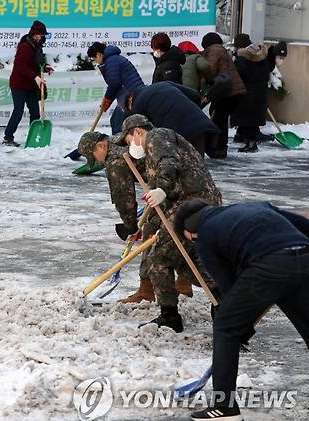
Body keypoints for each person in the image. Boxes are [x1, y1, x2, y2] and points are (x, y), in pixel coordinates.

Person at [174, 200, 309, 421]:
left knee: (225, 326)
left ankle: (223, 407)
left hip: (268, 266)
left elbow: (228, 284)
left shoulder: (205, 236)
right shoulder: (254, 206)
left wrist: (241, 323)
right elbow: (305, 225)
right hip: (305, 259)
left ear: (190, 232)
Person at [122, 114, 222, 332]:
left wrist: (162, 189)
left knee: (160, 257)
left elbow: (169, 163)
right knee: (185, 259)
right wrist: (146, 227)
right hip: (191, 204)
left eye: (129, 140)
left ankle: (170, 317)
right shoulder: (152, 152)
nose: (131, 146)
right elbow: (161, 203)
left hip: (192, 204)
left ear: (138, 132)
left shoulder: (157, 137)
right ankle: (222, 298)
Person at [77, 131, 193, 303]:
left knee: (152, 233)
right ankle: (184, 282)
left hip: (171, 191)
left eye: (94, 156)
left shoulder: (115, 160)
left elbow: (124, 198)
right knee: (178, 234)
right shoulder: (121, 139)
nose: (99, 162)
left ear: (101, 146)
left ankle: (146, 291)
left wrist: (131, 226)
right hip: (183, 184)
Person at [126, 81, 220, 156]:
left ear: (130, 100)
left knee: (184, 170)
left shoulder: (137, 105)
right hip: (199, 124)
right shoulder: (164, 83)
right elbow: (195, 95)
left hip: (177, 133)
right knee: (198, 168)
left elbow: (143, 133)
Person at [3, 20, 54, 147]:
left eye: (42, 35)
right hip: (19, 85)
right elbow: (21, 66)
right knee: (18, 111)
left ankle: (35, 136)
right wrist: (35, 77)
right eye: (38, 35)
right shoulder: (25, 47)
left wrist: (45, 68)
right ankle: (8, 137)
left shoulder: (37, 47)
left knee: (35, 112)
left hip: (31, 85)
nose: (40, 37)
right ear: (32, 34)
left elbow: (35, 64)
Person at [201, 32, 246, 159]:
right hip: (232, 91)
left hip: (226, 92)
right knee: (220, 118)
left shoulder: (214, 50)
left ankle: (217, 149)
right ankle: (220, 148)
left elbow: (210, 70)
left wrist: (203, 86)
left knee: (217, 119)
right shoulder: (221, 50)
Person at [87, 42, 144, 134]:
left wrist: (107, 99)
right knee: (115, 120)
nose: (95, 61)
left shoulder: (111, 61)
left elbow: (115, 84)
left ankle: (121, 145)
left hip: (131, 96)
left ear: (98, 54)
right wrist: (107, 101)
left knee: (119, 125)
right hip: (128, 95)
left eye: (94, 58)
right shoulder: (112, 59)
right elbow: (115, 85)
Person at [229, 34, 271, 153]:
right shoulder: (262, 54)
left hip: (247, 92)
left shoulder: (243, 57)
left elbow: (240, 73)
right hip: (259, 91)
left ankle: (251, 144)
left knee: (246, 117)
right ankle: (245, 138)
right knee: (251, 117)